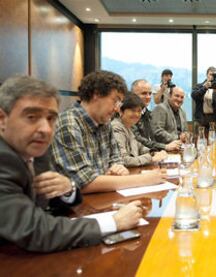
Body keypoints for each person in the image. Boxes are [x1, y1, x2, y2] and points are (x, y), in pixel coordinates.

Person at [0, 76, 144, 252]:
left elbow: (56, 199)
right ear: (2, 119)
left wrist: (68, 189)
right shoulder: (4, 159)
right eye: (31, 117)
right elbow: (34, 230)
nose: (45, 129)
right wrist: (113, 222)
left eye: (51, 118)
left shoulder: (37, 152)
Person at [51, 71, 166, 194]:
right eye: (115, 101)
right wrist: (144, 180)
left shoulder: (105, 123)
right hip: (75, 207)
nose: (117, 108)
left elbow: (118, 161)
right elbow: (83, 182)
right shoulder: (69, 123)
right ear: (97, 95)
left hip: (103, 198)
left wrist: (117, 170)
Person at [111, 94, 167, 167]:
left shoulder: (129, 126)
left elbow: (140, 148)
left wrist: (153, 152)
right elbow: (123, 160)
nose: (137, 114)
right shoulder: (116, 127)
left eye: (139, 111)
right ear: (121, 111)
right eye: (133, 110)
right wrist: (151, 158)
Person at [131, 79, 181, 151]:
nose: (148, 97)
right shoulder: (129, 115)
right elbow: (138, 139)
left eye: (150, 93)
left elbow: (152, 138)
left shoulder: (148, 114)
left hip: (153, 153)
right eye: (144, 93)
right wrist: (165, 147)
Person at [192, 66, 216, 132]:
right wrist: (204, 88)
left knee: (214, 140)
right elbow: (194, 96)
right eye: (210, 74)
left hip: (213, 120)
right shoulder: (199, 86)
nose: (212, 77)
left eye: (214, 75)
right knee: (198, 140)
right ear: (207, 74)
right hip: (200, 119)